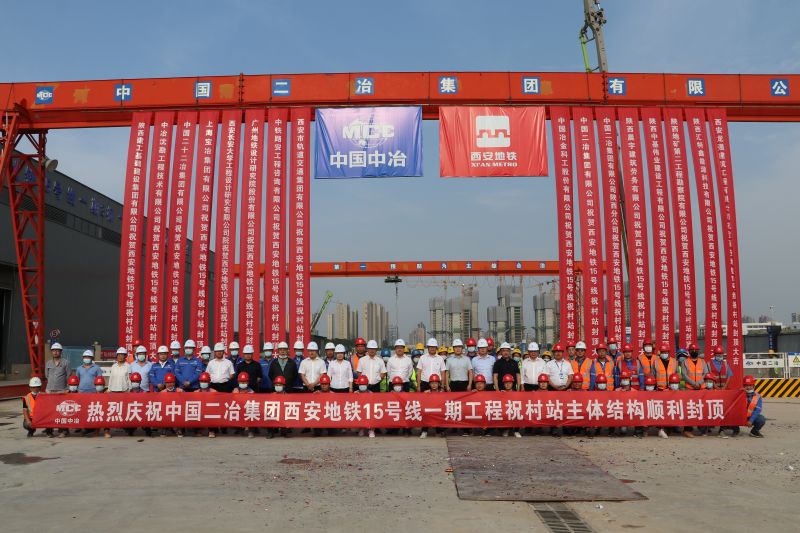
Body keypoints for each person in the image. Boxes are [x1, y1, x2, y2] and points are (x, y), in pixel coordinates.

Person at [682, 347, 709, 435]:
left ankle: (702, 428)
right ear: (689, 351)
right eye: (692, 350)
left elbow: (706, 374)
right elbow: (684, 375)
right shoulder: (685, 362)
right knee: (689, 409)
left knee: (702, 408)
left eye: (696, 350)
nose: (694, 351)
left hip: (701, 388)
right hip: (690, 389)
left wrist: (699, 383)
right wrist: (694, 383)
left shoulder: (703, 362)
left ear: (698, 351)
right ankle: (688, 429)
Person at [419, 374, 444, 439]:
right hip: (429, 411)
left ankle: (439, 431)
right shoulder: (426, 392)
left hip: (438, 411)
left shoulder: (442, 393)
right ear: (429, 384)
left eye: (436, 383)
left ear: (438, 384)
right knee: (425, 414)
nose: (434, 385)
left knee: (439, 415)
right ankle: (424, 431)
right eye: (432, 383)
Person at [233, 372, 256, 438]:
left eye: (244, 382)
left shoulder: (251, 391)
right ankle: (240, 429)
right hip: (239, 408)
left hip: (247, 408)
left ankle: (251, 431)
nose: (243, 383)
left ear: (248, 382)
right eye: (241, 382)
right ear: (238, 382)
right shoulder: (235, 390)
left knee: (251, 412)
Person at [499, 374, 522, 438]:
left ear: (512, 384)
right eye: (506, 383)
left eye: (509, 383)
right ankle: (506, 429)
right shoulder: (501, 393)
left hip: (513, 411)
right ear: (503, 384)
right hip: (505, 412)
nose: (508, 385)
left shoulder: (516, 394)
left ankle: (516, 431)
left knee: (518, 412)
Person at [196, 372, 218, 438]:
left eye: (205, 381)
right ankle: (198, 430)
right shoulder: (196, 392)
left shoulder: (214, 392)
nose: (203, 383)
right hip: (200, 410)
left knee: (212, 413)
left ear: (209, 382)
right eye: (202, 381)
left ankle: (211, 430)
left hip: (210, 411)